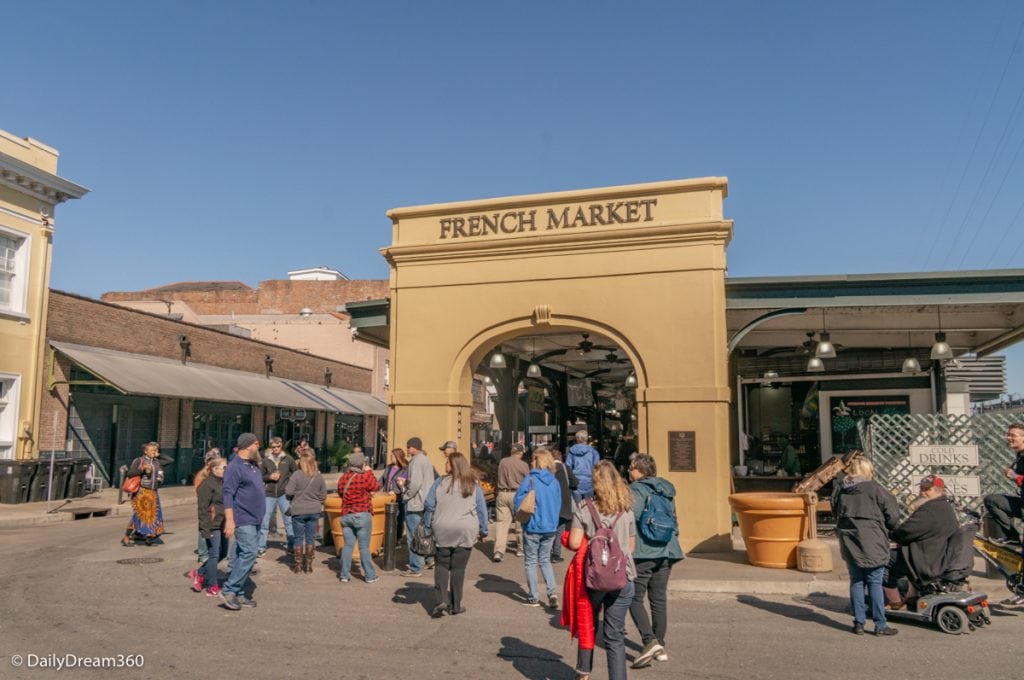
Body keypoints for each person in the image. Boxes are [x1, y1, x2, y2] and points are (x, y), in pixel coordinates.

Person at [568, 460, 636, 680]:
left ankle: (584, 674)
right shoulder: (626, 509)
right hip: (623, 576)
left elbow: (575, 543)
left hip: (594, 577)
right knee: (614, 636)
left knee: (588, 625)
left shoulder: (585, 507)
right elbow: (631, 547)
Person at [626, 453, 684, 668]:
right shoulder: (666, 489)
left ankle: (649, 641)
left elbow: (631, 518)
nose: (628, 471)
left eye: (631, 468)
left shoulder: (636, 490)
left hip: (644, 550)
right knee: (658, 599)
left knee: (634, 596)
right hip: (667, 549)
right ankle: (660, 644)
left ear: (639, 470)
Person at [833, 455, 899, 636]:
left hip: (849, 540)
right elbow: (892, 517)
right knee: (875, 582)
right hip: (873, 540)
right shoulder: (876, 489)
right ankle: (880, 624)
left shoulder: (841, 490)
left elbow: (835, 512)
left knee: (856, 581)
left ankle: (859, 623)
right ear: (867, 470)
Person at [423, 452, 488, 617]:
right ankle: (456, 604)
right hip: (465, 529)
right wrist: (484, 529)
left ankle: (441, 600)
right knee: (458, 568)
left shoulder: (439, 482)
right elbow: (481, 509)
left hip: (442, 528)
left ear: (453, 465)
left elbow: (429, 505)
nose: (445, 464)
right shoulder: (473, 485)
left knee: (441, 565)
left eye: (447, 462)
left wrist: (427, 526)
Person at [887, 475, 960, 605]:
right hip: (935, 556)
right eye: (921, 488)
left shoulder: (930, 510)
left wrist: (890, 534)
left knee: (883, 559)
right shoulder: (945, 507)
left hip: (924, 560)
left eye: (927, 489)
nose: (922, 492)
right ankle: (913, 596)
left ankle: (894, 602)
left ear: (939, 490)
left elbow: (905, 532)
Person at [221, 433, 266, 610]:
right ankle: (229, 589)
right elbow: (227, 494)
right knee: (250, 553)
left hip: (256, 518)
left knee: (242, 554)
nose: (259, 447)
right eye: (257, 444)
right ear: (248, 446)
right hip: (243, 518)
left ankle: (239, 594)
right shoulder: (235, 467)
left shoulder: (253, 465)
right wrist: (230, 521)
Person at [515, 449, 562, 608]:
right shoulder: (554, 482)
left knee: (530, 562)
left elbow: (518, 502)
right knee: (545, 560)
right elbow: (558, 504)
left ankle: (534, 596)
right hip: (550, 527)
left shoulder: (529, 480)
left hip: (533, 525)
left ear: (536, 460)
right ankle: (552, 592)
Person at [337, 451, 380, 583]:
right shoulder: (365, 477)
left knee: (348, 546)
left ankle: (344, 575)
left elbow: (340, 493)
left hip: (346, 515)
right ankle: (370, 575)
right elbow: (376, 486)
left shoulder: (344, 477)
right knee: (363, 547)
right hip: (362, 514)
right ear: (362, 464)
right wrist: (369, 472)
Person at [400, 437, 438, 577]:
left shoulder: (416, 462)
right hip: (426, 501)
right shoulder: (426, 460)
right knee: (425, 533)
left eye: (408, 447)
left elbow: (415, 484)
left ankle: (415, 567)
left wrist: (406, 495)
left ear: (414, 447)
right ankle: (429, 559)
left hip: (415, 502)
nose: (407, 449)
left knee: (413, 535)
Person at [285, 450, 327, 574]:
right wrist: (315, 502)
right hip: (314, 511)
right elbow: (323, 495)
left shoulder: (296, 475)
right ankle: (308, 565)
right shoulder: (318, 476)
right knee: (310, 538)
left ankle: (298, 565)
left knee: (298, 538)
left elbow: (288, 492)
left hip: (298, 510)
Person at [983, 423, 1024, 546]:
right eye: (1008, 435)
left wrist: (1015, 476)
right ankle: (1013, 536)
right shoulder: (1020, 455)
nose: (1009, 438)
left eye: (1013, 435)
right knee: (992, 500)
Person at [121, 442, 167, 547]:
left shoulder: (156, 462)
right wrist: (141, 469)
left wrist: (159, 455)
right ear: (145, 451)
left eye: (155, 450)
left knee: (154, 516)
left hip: (153, 492)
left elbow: (170, 460)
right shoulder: (139, 460)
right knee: (140, 515)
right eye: (151, 450)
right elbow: (130, 473)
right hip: (142, 492)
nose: (153, 452)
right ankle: (126, 537)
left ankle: (149, 538)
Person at [194, 455, 228, 597]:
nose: (227, 469)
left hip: (223, 523)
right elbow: (202, 509)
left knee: (223, 553)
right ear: (215, 469)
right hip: (212, 524)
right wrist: (205, 529)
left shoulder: (224, 482)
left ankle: (199, 573)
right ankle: (212, 586)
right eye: (224, 467)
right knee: (214, 554)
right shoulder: (206, 484)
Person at [258, 436, 296, 558]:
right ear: (270, 447)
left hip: (283, 493)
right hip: (268, 494)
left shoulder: (288, 459)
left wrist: (290, 486)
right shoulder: (266, 460)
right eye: (273, 447)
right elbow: (260, 476)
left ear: (281, 445)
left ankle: (292, 545)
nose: (276, 449)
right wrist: (269, 477)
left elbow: (296, 474)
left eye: (278, 446)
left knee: (288, 520)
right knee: (265, 521)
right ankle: (261, 547)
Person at [493, 442, 530, 562]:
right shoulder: (524, 465)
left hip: (502, 493)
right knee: (520, 522)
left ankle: (499, 551)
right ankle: (520, 548)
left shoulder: (503, 462)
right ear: (521, 452)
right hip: (517, 494)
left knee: (502, 523)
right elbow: (528, 481)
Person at [192, 447, 222, 566]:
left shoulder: (218, 474)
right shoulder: (202, 475)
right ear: (207, 462)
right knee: (204, 529)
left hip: (217, 507)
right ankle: (203, 554)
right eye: (212, 461)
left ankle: (213, 550)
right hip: (207, 507)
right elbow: (199, 493)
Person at [549, 447, 578, 563]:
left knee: (551, 528)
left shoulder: (548, 469)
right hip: (563, 502)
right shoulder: (565, 468)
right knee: (559, 529)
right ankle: (556, 553)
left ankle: (547, 551)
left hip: (551, 502)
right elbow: (575, 483)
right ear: (560, 458)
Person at [381, 447, 410, 543]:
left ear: (398, 457)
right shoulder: (389, 467)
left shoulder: (405, 469)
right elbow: (382, 480)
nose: (390, 457)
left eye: (392, 455)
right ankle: (387, 540)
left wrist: (396, 491)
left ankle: (397, 539)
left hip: (398, 499)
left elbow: (405, 483)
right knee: (387, 520)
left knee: (398, 520)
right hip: (387, 498)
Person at [566, 430, 601, 503]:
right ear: (586, 439)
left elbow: (568, 466)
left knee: (577, 507)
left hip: (576, 481)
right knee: (590, 507)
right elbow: (597, 466)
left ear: (577, 439)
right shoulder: (593, 452)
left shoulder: (572, 452)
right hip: (589, 481)